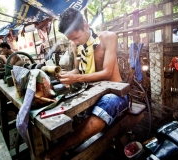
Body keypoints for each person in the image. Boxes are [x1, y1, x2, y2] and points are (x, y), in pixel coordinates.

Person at [45, 8, 129, 160]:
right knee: (60, 105)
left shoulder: (108, 38)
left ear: (85, 25)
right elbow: (78, 71)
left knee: (107, 104)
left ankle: (61, 147)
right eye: (72, 40)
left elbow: (107, 73)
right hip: (92, 94)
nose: (75, 42)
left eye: (76, 38)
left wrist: (75, 79)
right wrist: (66, 75)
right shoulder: (76, 45)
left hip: (116, 94)